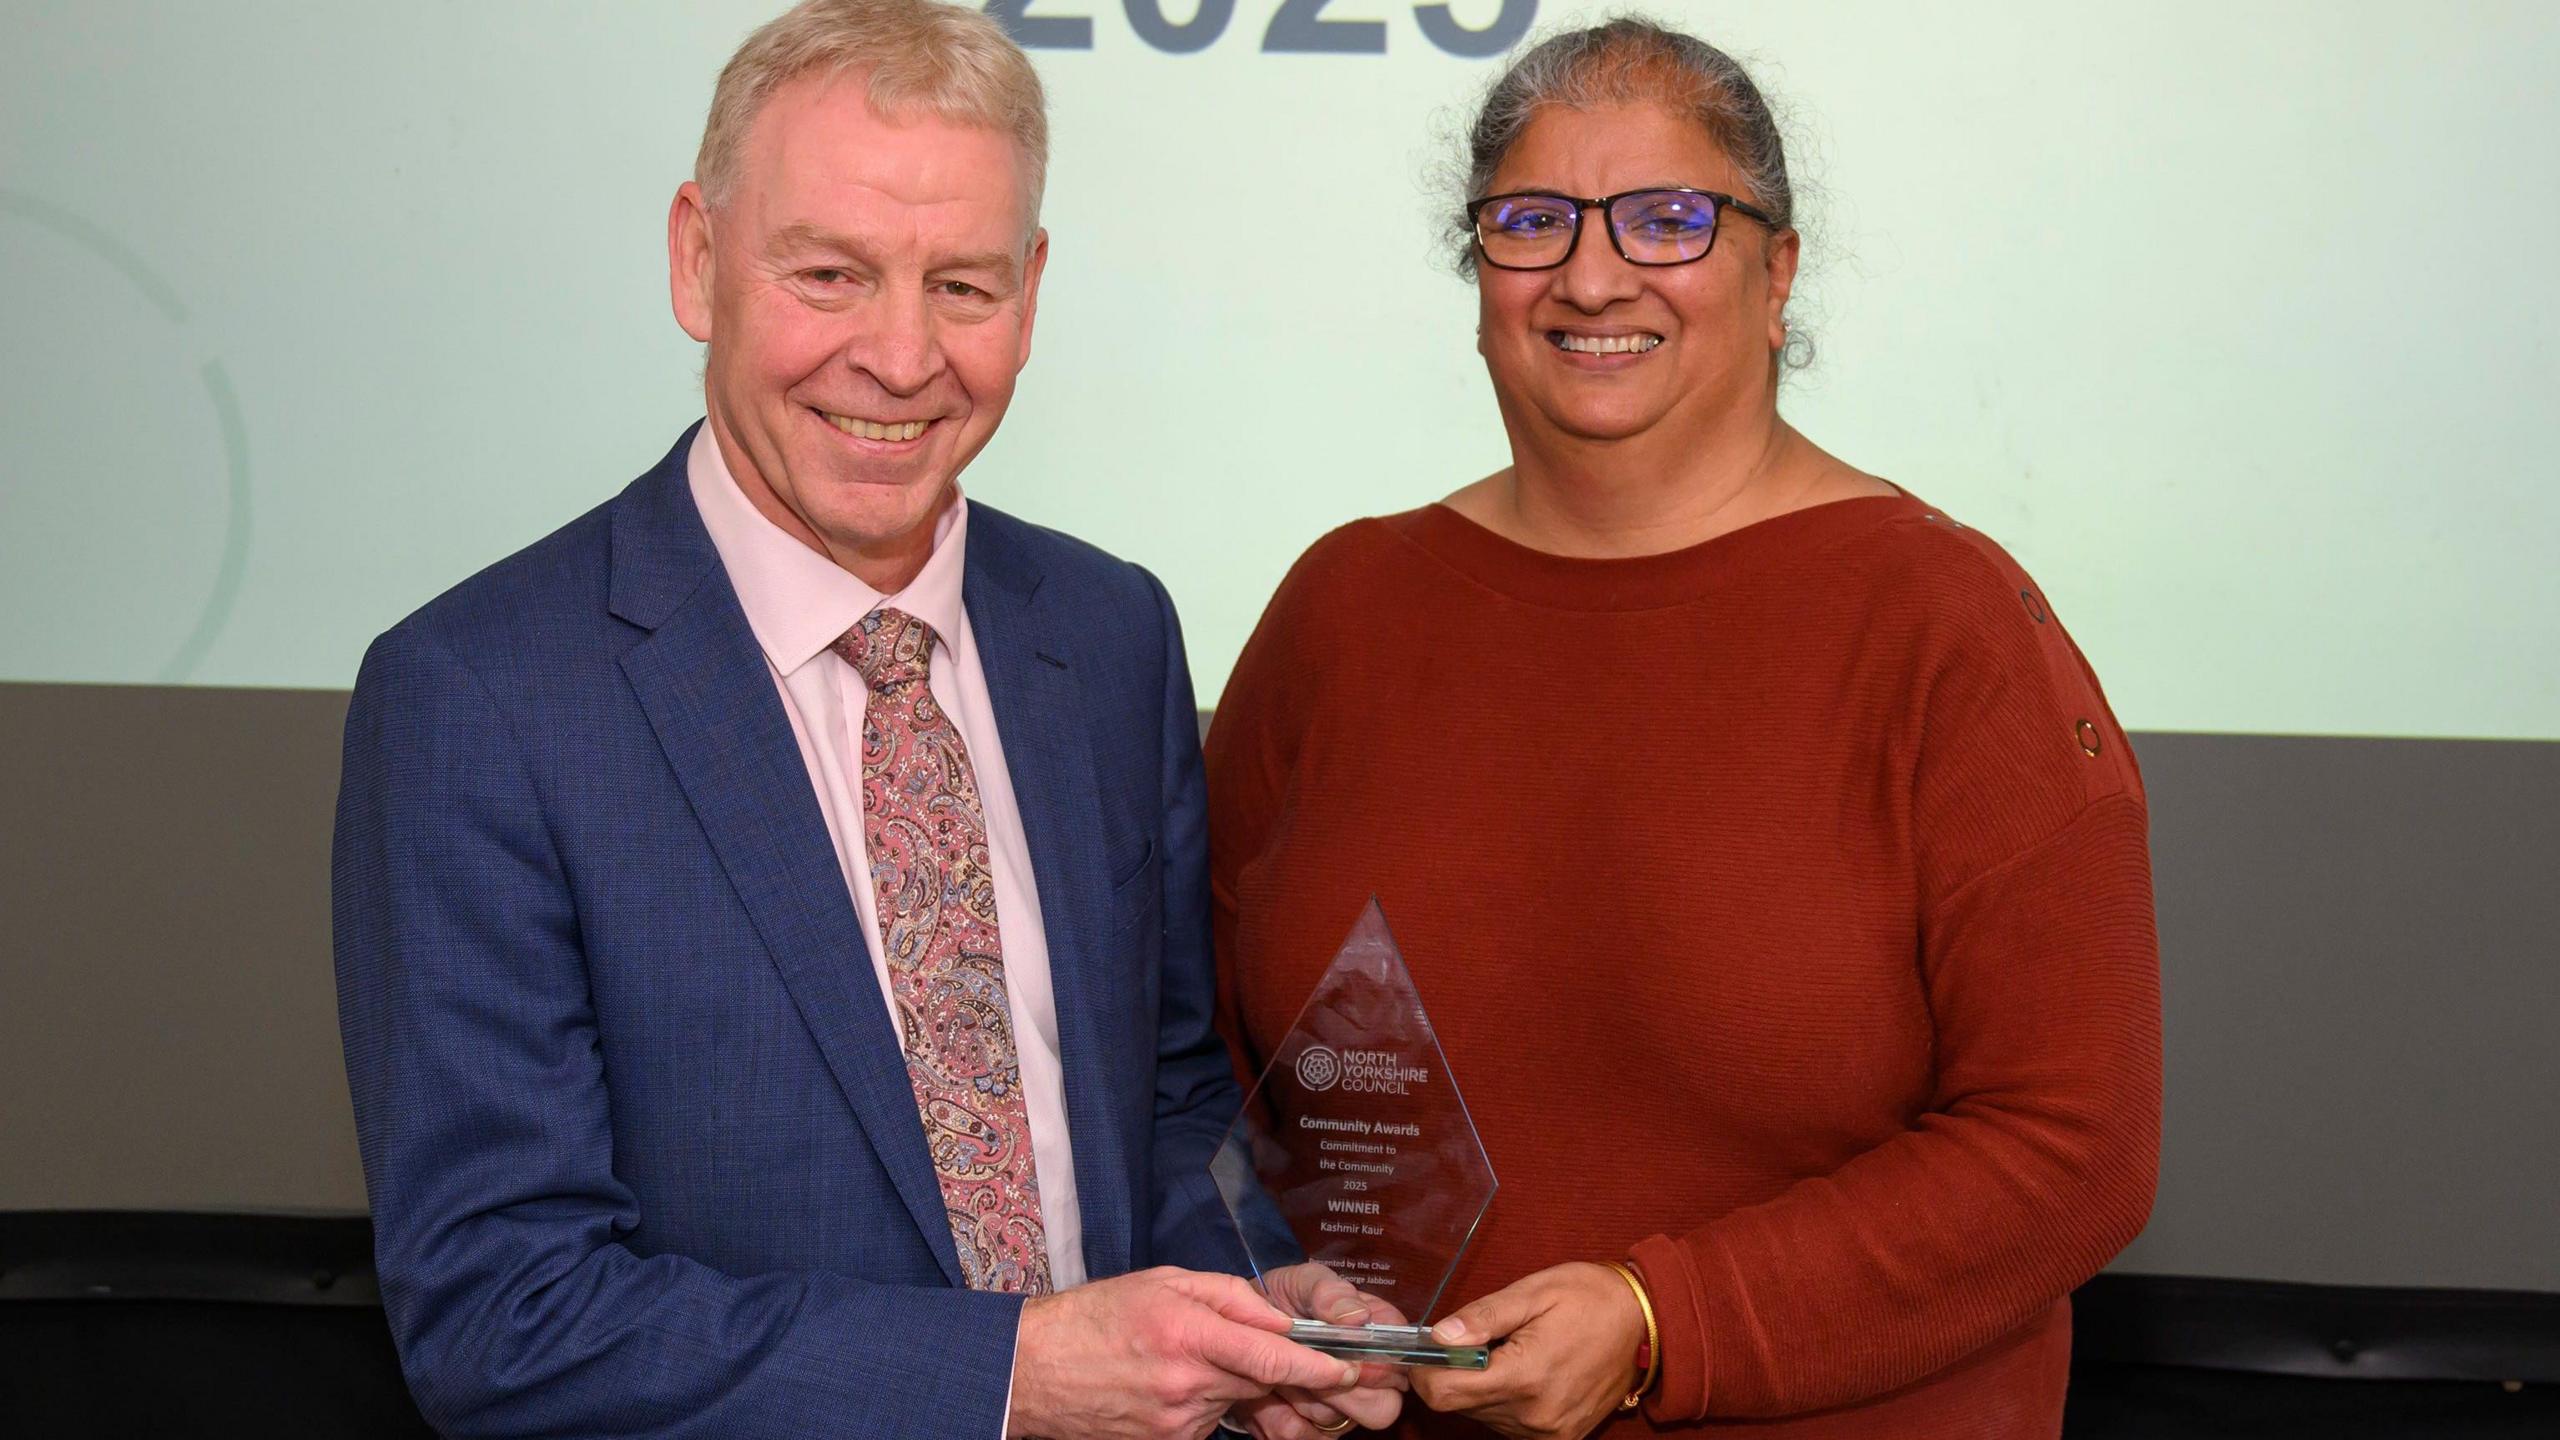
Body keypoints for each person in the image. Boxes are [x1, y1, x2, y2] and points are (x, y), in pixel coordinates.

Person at [333, 3, 1397, 1436]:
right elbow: (507, 1318)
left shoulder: (1108, 632)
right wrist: (1013, 1379)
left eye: (961, 288)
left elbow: (1159, 1106)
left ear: (1031, 290)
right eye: (830, 273)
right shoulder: (481, 697)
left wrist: (1263, 1299)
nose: (901, 359)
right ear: (698, 262)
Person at [1206, 18, 2161, 1440]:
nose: (1592, 276)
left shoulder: (1946, 628)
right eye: (1530, 223)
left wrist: (1664, 1321)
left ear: (1776, 275)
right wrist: (1258, 1296)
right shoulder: (1340, 609)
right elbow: (1201, 1066)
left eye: (1669, 218)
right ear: (1478, 277)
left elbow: (2074, 1150)